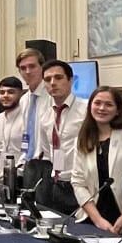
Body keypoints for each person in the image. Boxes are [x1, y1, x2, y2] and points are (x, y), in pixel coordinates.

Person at [71, 86, 122, 233]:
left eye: (109, 104)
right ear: (90, 106)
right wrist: (98, 219)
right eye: (97, 103)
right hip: (94, 216)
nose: (102, 108)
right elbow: (78, 182)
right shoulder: (83, 138)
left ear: (118, 110)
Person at [31, 60, 86, 214]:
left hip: (79, 186)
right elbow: (47, 151)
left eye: (58, 78)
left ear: (71, 80)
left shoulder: (87, 110)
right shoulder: (45, 114)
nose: (53, 83)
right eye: (47, 80)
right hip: (54, 184)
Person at [0, 77, 27, 180]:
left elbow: (27, 151)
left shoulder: (26, 119)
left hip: (23, 177)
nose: (5, 96)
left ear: (21, 94)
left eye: (10, 92)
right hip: (1, 177)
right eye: (2, 92)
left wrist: (15, 173)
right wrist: (1, 173)